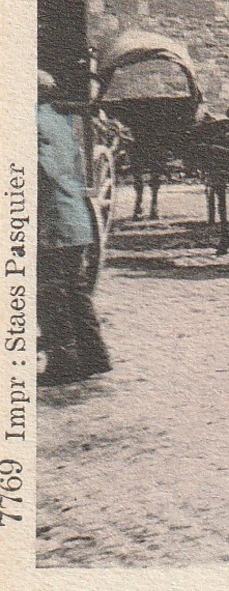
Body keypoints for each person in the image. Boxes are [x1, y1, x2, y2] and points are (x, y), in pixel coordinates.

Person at [37, 71, 112, 385]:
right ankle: (95, 357)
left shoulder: (28, 123)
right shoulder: (60, 121)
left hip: (52, 221)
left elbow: (38, 172)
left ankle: (64, 363)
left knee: (51, 292)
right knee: (77, 290)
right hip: (77, 218)